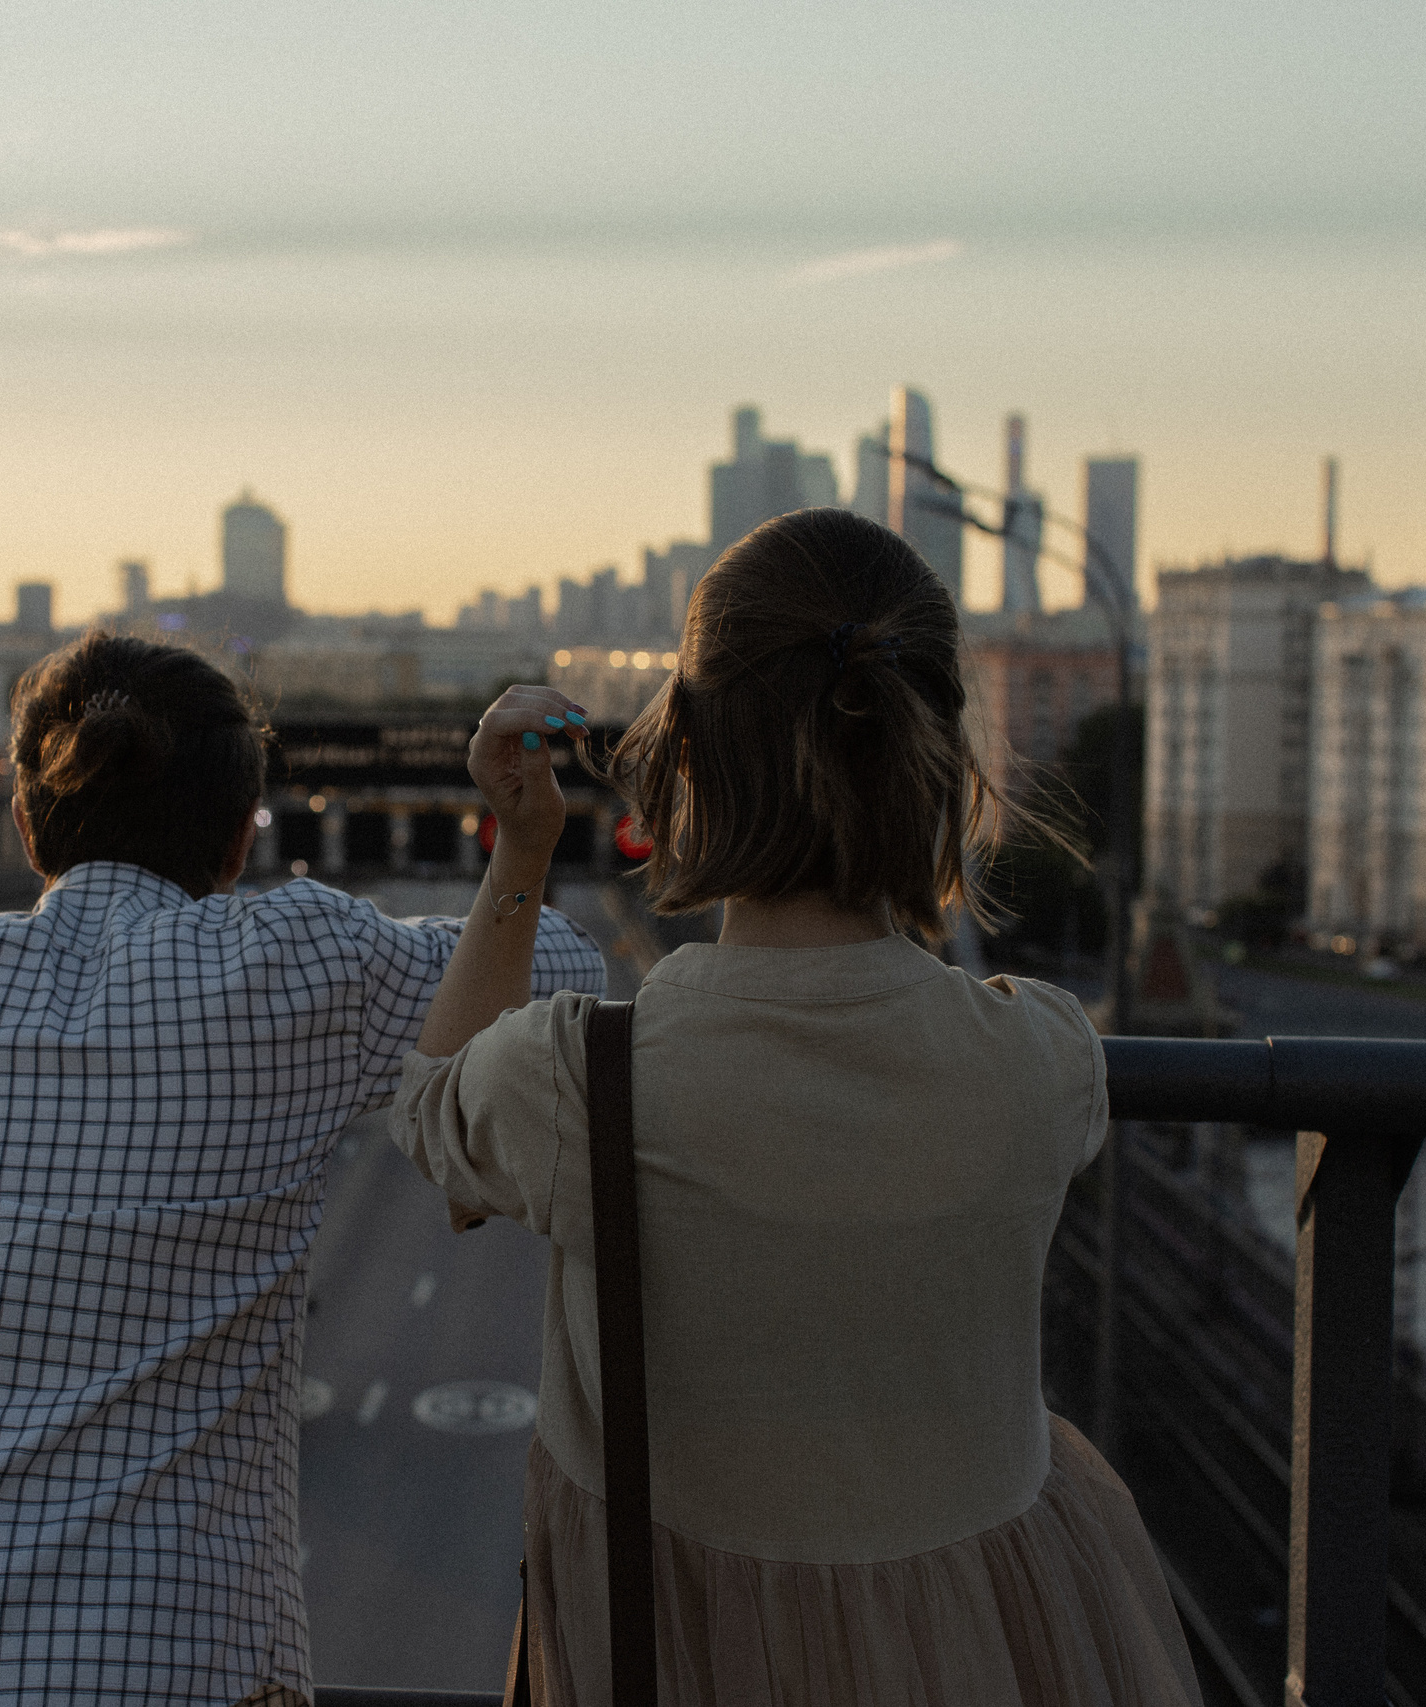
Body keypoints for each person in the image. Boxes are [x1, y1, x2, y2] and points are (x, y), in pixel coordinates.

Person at [0, 632, 604, 1707]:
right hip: (158, 1656)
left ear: (26, 824)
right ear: (236, 845)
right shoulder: (300, 968)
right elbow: (564, 966)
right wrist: (519, 846)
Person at [396, 509, 1205, 1705]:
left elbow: (434, 1124)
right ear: (941, 764)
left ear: (685, 757)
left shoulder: (578, 1079)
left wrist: (519, 853)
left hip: (676, 1655)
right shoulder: (1043, 1054)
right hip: (997, 1643)